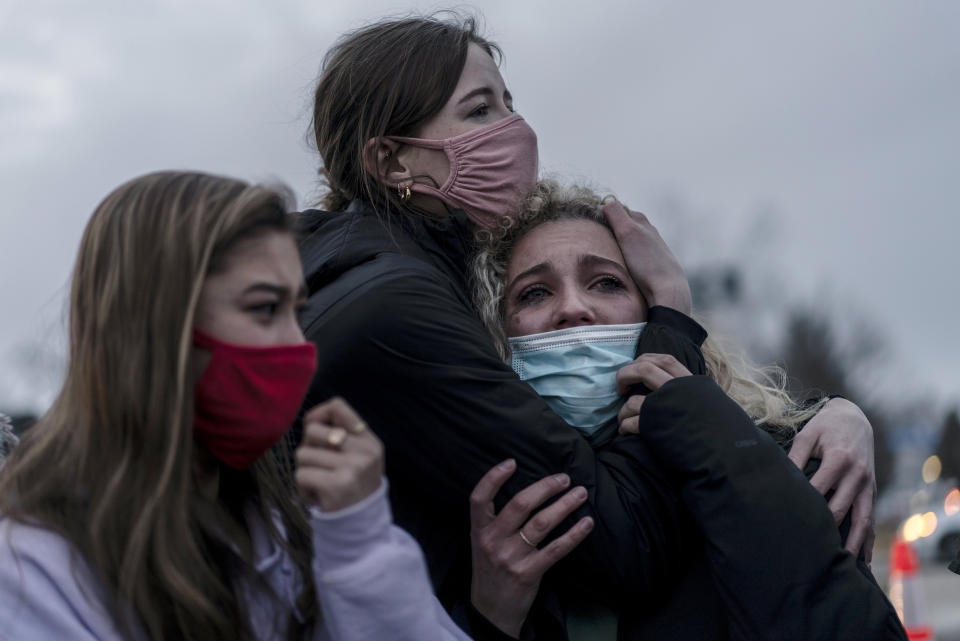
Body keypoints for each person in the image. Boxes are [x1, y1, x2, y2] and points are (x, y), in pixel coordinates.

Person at [299, 13, 878, 639]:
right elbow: (625, 541)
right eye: (479, 111)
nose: (515, 131)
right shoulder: (405, 309)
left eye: (607, 282)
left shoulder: (795, 466)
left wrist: (827, 415)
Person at [0, 171, 591, 641]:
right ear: (156, 330)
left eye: (296, 311)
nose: (295, 344)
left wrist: (360, 542)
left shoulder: (273, 528)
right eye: (263, 310)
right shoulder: (29, 570)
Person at [471, 179, 908, 639]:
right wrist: (490, 622)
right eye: (535, 293)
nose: (574, 309)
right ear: (500, 332)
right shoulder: (483, 511)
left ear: (654, 313)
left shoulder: (790, 459)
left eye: (606, 283)